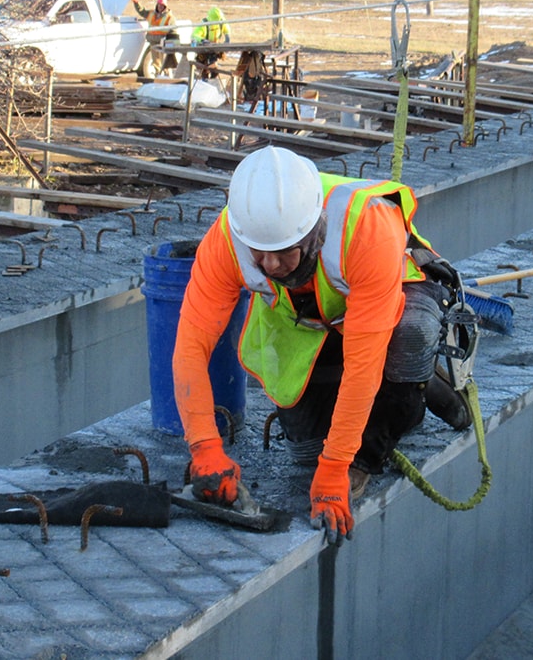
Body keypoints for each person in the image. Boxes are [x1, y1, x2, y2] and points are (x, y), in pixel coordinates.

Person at [172, 146, 472, 546]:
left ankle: (409, 390)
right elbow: (191, 345)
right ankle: (391, 385)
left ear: (314, 230)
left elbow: (362, 363)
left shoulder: (366, 228)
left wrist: (337, 466)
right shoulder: (228, 239)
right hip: (315, 320)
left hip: (388, 308)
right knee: (306, 449)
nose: (270, 265)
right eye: (258, 253)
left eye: (282, 252)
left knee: (409, 337)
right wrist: (204, 447)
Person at [133, 0, 179, 74]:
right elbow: (142, 12)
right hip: (153, 42)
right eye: (159, 5)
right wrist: (136, 3)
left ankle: (167, 78)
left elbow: (173, 32)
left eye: (162, 5)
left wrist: (172, 44)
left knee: (165, 64)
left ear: (165, 6)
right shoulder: (151, 14)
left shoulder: (169, 17)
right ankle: (158, 78)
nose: (160, 7)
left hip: (163, 44)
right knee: (156, 64)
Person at [191, 6, 231, 79]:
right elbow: (194, 35)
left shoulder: (221, 22)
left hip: (215, 48)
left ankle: (212, 74)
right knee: (203, 67)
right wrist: (202, 40)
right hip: (204, 49)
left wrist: (227, 38)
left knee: (213, 67)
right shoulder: (204, 24)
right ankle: (205, 76)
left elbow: (227, 30)